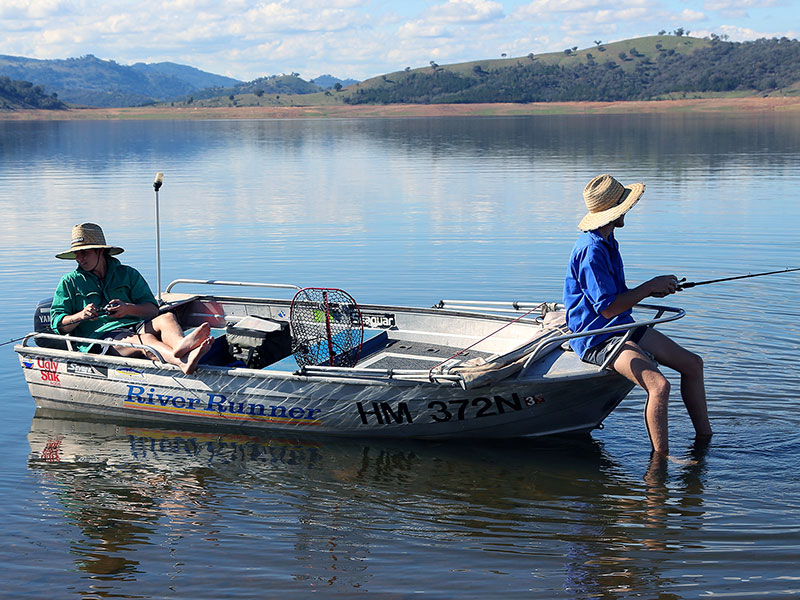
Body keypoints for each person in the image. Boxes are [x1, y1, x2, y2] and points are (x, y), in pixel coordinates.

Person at [564, 174, 712, 456]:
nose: (629, 210)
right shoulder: (591, 250)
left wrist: (652, 291)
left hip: (620, 325)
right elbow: (606, 308)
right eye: (625, 205)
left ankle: (705, 440)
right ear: (614, 211)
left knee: (693, 364)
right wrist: (648, 287)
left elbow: (614, 298)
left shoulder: (608, 241)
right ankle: (661, 462)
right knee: (659, 386)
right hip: (596, 335)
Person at [51, 222, 213, 375]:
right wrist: (81, 316)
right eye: (76, 254)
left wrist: (128, 309)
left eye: (84, 252)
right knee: (147, 340)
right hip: (100, 339)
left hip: (135, 325)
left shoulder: (128, 274)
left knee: (167, 318)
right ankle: (183, 362)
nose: (79, 258)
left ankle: (179, 345)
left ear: (100, 251)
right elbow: (57, 324)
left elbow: (151, 309)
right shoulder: (69, 282)